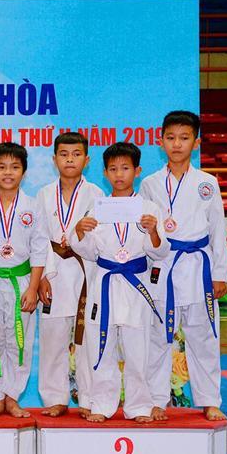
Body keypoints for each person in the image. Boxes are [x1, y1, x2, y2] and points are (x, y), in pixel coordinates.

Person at [139, 110, 227, 421]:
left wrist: (219, 273)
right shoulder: (150, 183)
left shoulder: (208, 183)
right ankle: (156, 399)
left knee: (204, 335)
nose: (177, 144)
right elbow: (145, 231)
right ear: (160, 141)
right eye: (171, 137)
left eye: (184, 138)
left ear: (196, 142)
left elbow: (218, 229)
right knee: (159, 336)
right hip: (163, 265)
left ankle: (209, 400)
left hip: (199, 267)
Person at [71, 142, 167, 422]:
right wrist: (80, 231)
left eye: (125, 168)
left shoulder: (149, 209)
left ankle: (139, 406)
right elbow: (89, 251)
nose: (119, 174)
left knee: (138, 349)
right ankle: (102, 404)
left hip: (136, 284)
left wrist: (153, 232)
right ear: (105, 173)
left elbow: (160, 251)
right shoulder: (97, 208)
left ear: (137, 171)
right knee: (101, 346)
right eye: (113, 169)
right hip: (106, 283)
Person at [0, 142, 48, 418]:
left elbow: (40, 249)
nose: (8, 172)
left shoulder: (33, 207)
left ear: (24, 172)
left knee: (20, 341)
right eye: (2, 167)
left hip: (21, 281)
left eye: (15, 167)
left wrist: (33, 287)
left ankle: (12, 396)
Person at [36, 132, 104, 418]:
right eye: (63, 154)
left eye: (76, 154)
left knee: (86, 339)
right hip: (52, 272)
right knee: (52, 338)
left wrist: (78, 239)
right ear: (54, 159)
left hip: (85, 272)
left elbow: (100, 240)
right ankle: (55, 397)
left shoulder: (97, 195)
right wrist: (40, 277)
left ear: (86, 160)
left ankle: (88, 397)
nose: (70, 160)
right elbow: (38, 239)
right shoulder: (43, 194)